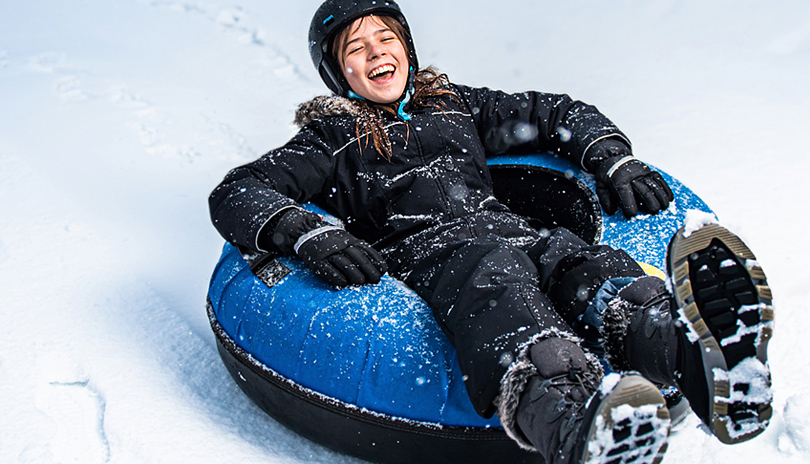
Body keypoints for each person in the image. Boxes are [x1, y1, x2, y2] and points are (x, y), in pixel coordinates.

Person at [208, 1, 774, 463]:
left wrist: (609, 156)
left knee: (587, 267)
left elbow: (553, 113)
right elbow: (239, 191)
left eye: (386, 39)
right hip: (434, 254)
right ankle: (569, 423)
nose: (377, 54)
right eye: (357, 49)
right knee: (499, 288)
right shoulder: (331, 139)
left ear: (406, 47)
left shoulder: (455, 106)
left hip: (516, 234)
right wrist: (307, 231)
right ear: (339, 74)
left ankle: (699, 359)